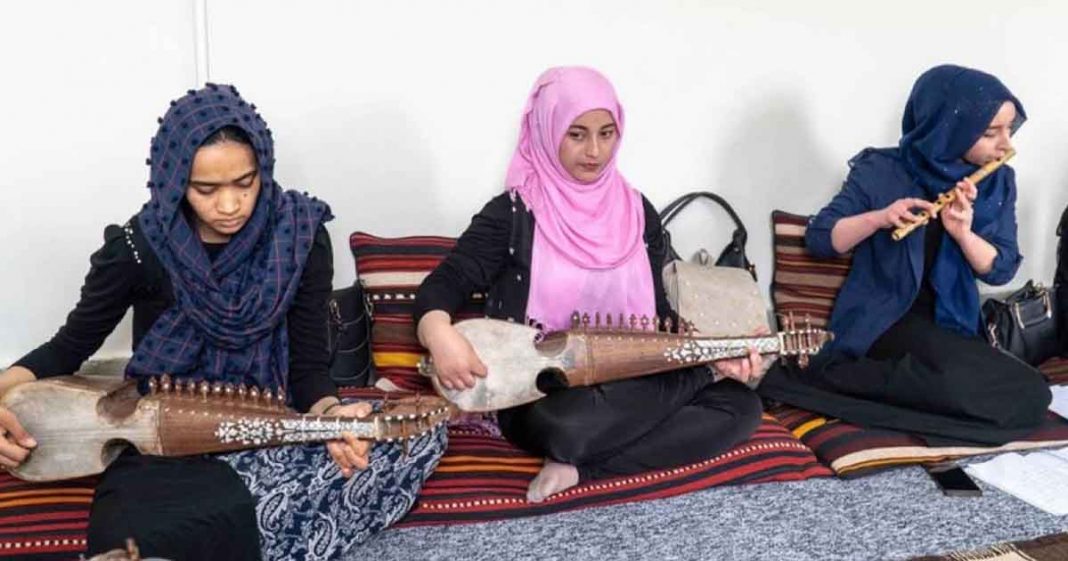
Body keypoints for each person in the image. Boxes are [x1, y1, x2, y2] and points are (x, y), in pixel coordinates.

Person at [0, 84, 445, 560]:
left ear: (264, 169)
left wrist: (332, 418)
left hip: (270, 431)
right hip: (160, 444)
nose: (230, 205)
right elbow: (69, 346)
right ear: (174, 181)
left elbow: (309, 367)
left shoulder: (298, 236)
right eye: (206, 190)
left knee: (416, 432)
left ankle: (247, 522)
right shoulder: (140, 246)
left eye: (245, 182)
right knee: (128, 542)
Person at [413, 66, 763, 503]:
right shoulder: (515, 213)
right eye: (576, 134)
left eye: (606, 133)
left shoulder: (638, 212)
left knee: (742, 408)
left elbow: (661, 318)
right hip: (545, 391)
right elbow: (444, 284)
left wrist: (716, 357)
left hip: (635, 381)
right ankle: (680, 387)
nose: (594, 151)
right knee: (565, 426)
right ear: (547, 130)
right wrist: (439, 334)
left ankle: (581, 465)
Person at [759, 65, 1051, 445]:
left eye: (1010, 129)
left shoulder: (998, 180)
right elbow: (821, 239)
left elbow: (1000, 271)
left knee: (1029, 394)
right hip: (885, 321)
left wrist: (962, 233)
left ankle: (848, 388)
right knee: (1018, 396)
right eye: (991, 133)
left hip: (953, 324)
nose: (1006, 145)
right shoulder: (880, 170)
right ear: (948, 127)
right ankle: (829, 378)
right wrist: (879, 218)